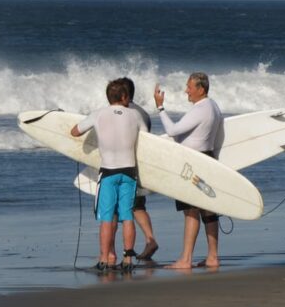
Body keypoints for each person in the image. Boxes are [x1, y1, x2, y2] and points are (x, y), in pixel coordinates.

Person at [71, 79, 146, 272]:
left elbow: (75, 131)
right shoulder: (136, 116)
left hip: (108, 172)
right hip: (129, 171)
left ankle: (104, 259)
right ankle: (128, 259)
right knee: (127, 215)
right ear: (123, 97)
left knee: (106, 217)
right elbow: (147, 141)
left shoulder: (98, 114)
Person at [153, 72, 223, 269]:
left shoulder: (200, 108)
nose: (187, 91)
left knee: (190, 211)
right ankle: (213, 257)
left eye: (189, 87)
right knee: (208, 211)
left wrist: (160, 107)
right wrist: (214, 160)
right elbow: (219, 136)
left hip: (192, 164)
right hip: (207, 159)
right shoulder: (214, 107)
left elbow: (172, 131)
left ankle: (185, 259)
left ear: (201, 89)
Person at [114, 77, 158, 262]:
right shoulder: (142, 113)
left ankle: (114, 253)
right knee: (138, 206)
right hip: (140, 166)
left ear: (123, 94)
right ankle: (149, 239)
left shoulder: (125, 114)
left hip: (125, 166)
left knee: (118, 209)